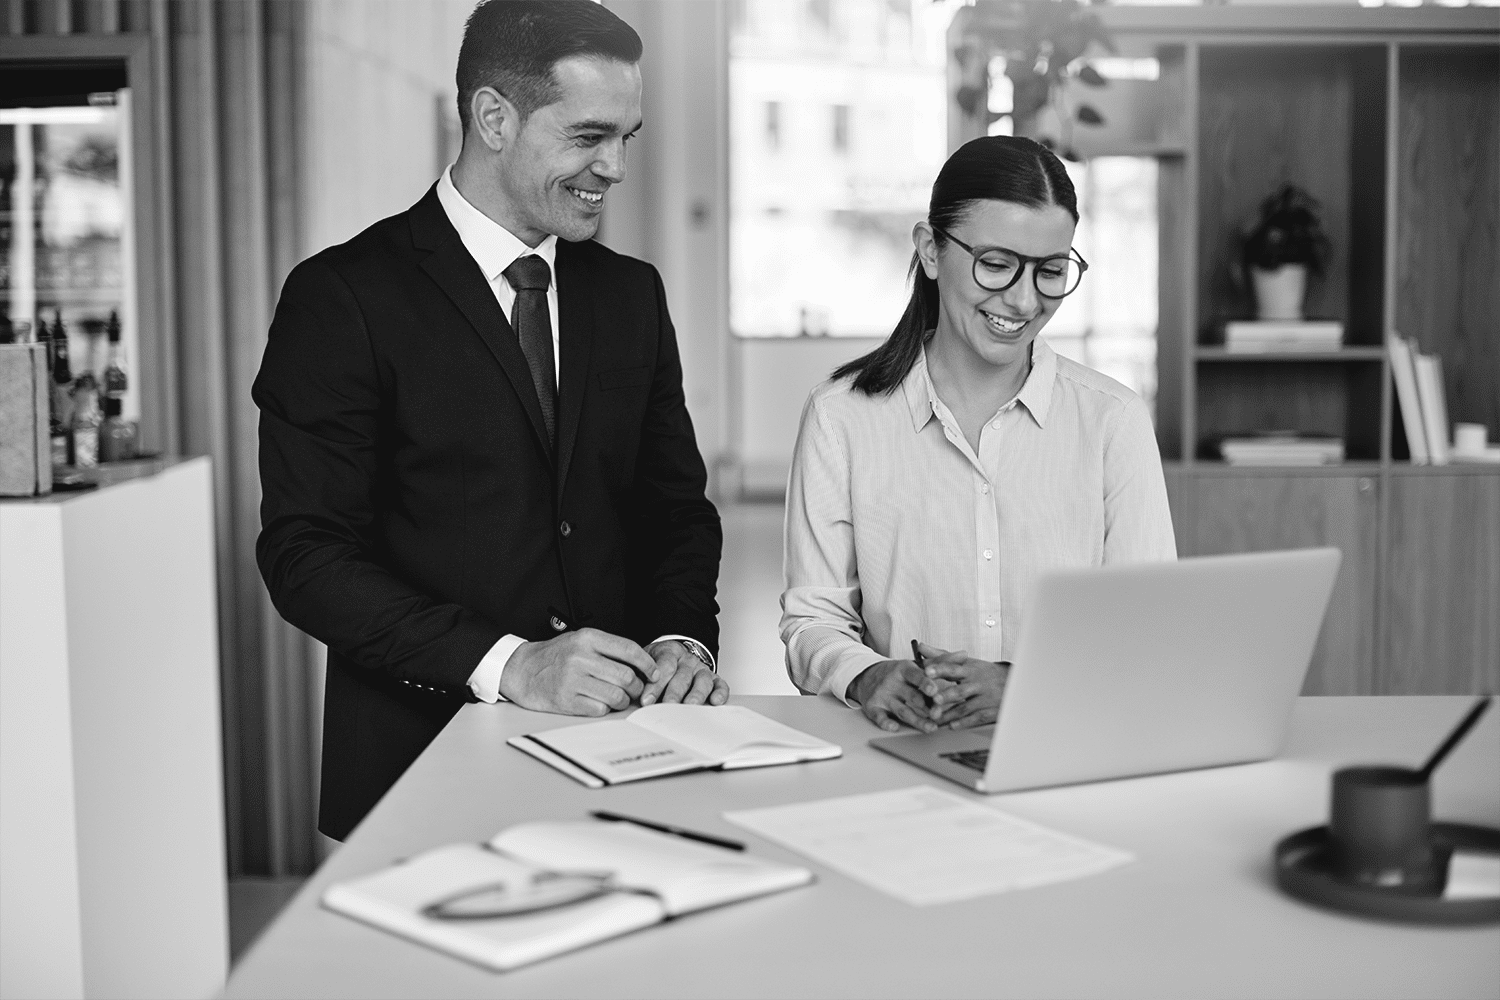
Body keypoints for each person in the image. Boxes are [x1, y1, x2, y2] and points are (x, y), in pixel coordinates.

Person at [255, 0, 726, 842]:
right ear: (494, 117)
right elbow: (306, 555)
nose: (615, 167)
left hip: (622, 755)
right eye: (589, 136)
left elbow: (675, 511)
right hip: (417, 763)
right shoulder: (343, 297)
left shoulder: (632, 296)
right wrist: (513, 665)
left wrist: (684, 638)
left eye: (628, 136)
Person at [780, 135, 1175, 735]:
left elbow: (1148, 625)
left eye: (1050, 271)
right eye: (996, 264)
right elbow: (813, 619)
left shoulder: (1112, 421)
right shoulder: (842, 417)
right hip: (905, 751)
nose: (1023, 300)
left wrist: (1023, 683)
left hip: (1069, 743)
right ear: (931, 252)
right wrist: (866, 675)